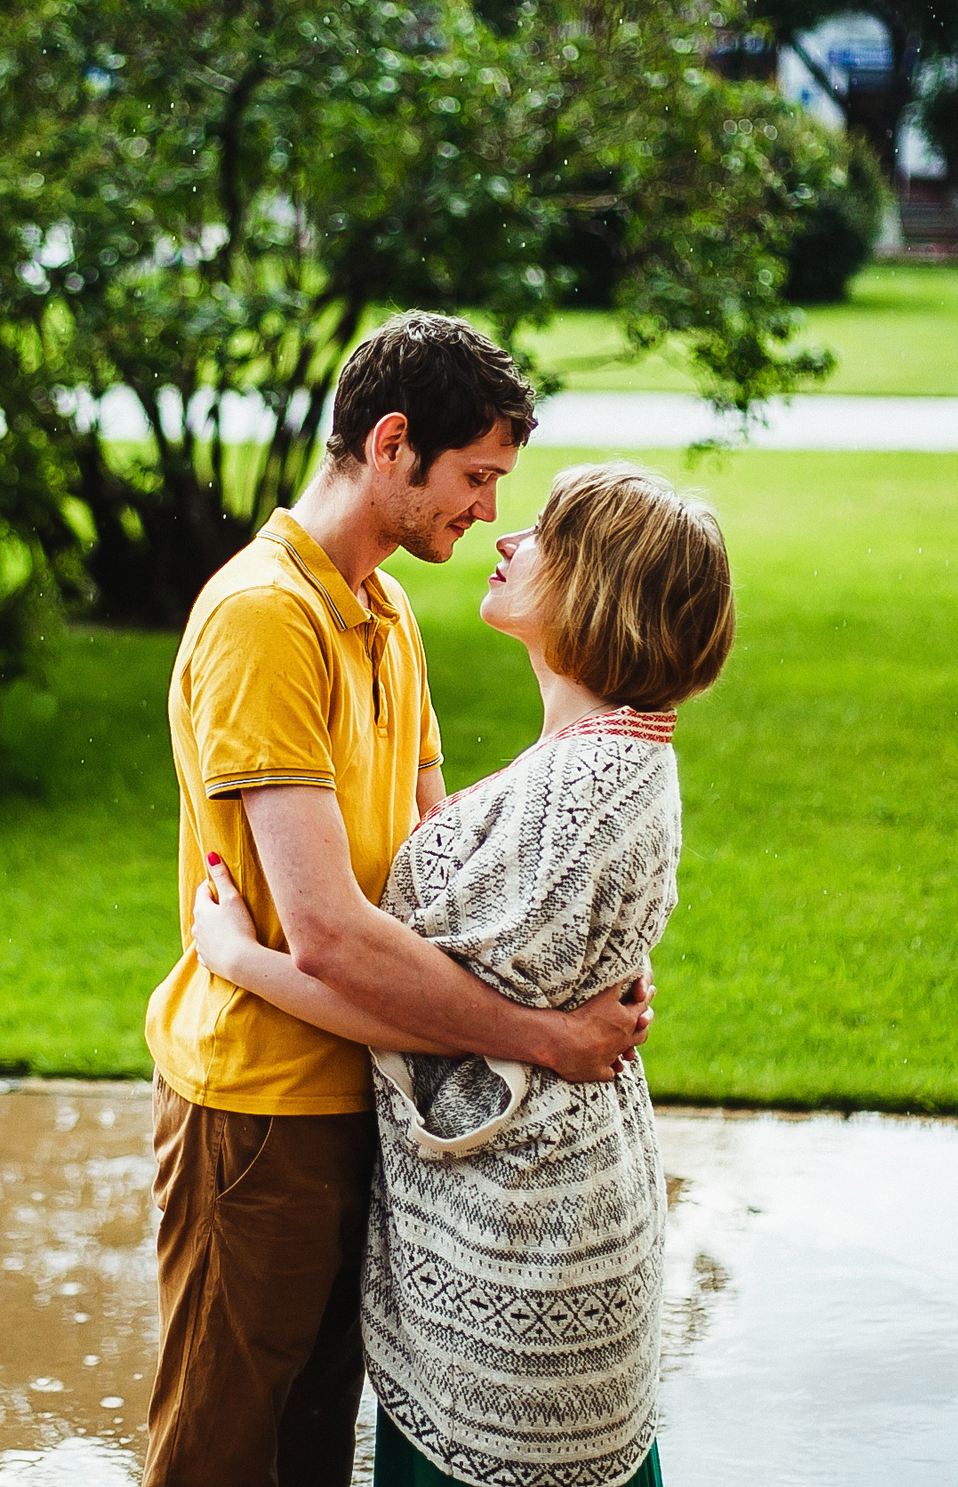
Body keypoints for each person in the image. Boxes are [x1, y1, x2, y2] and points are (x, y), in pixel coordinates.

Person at [144, 314, 659, 1487]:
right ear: (392, 445)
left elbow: (441, 864)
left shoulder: (381, 610)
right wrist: (545, 1039)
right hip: (260, 1111)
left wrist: (587, 931)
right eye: (475, 478)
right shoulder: (265, 619)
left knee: (315, 1451)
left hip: (372, 1100)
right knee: (223, 1458)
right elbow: (325, 935)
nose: (486, 511)